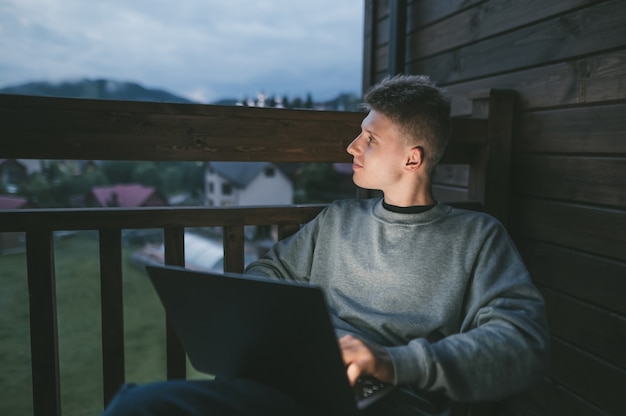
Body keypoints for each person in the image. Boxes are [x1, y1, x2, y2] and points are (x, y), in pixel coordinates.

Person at [103, 74, 550, 416]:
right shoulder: (337, 221)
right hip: (299, 380)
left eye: (370, 139)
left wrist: (393, 362)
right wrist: (298, 338)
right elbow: (266, 277)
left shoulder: (477, 237)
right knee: (139, 406)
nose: (353, 146)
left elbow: (522, 344)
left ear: (412, 157)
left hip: (390, 397)